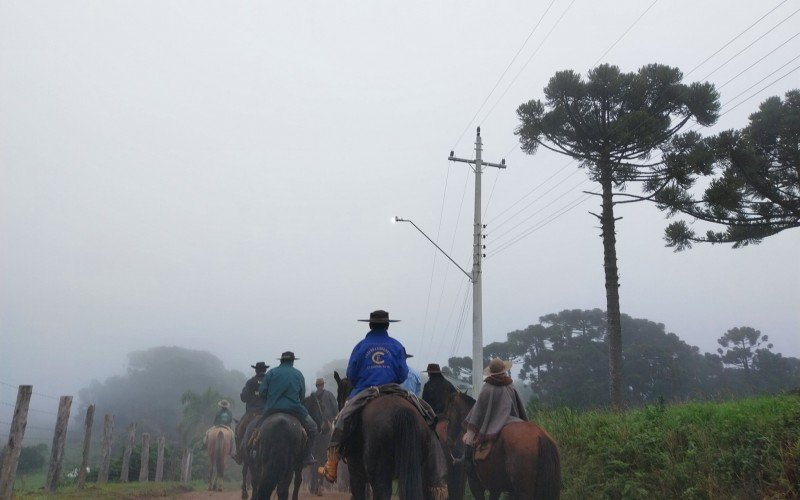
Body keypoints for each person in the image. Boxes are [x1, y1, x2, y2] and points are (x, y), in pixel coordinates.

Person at [318, 309, 446, 494]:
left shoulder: (361, 347)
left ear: (370, 325)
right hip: (395, 390)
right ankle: (436, 475)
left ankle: (331, 464)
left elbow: (352, 375)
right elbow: (402, 374)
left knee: (342, 419)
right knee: (428, 416)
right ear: (387, 325)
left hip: (365, 391)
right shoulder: (396, 346)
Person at [456, 357, 527, 464]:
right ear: (503, 370)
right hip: (514, 420)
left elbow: (478, 411)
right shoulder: (510, 385)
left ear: (491, 372)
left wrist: (473, 422)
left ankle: (466, 458)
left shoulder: (487, 388)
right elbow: (520, 407)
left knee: (470, 433)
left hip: (493, 423)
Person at [259, 351, 318, 465]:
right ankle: (307, 455)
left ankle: (255, 450)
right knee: (313, 427)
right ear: (292, 361)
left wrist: (271, 401)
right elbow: (301, 395)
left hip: (272, 409)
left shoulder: (271, 372)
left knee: (257, 428)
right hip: (294, 409)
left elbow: (262, 393)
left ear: (281, 360)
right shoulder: (298, 374)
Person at [304, 378, 339, 496]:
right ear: (323, 385)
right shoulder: (329, 395)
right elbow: (336, 410)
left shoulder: (311, 397)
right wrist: (331, 420)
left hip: (314, 427)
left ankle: (306, 456)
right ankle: (320, 483)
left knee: (311, 452)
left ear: (316, 385)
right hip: (327, 427)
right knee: (328, 453)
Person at [234, 361, 269, 463]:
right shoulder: (270, 382)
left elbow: (244, 398)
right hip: (267, 414)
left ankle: (239, 455)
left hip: (251, 413)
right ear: (265, 370)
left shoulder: (250, 382)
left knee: (237, 429)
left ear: (256, 370)